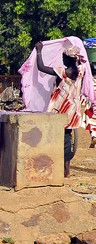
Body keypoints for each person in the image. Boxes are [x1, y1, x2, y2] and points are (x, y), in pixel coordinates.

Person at [34, 40, 94, 173]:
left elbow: (41, 67)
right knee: (67, 136)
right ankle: (66, 168)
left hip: (61, 108)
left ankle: (54, 165)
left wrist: (39, 51)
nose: (62, 60)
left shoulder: (64, 72)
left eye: (63, 58)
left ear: (68, 59)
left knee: (55, 136)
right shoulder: (82, 70)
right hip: (73, 109)